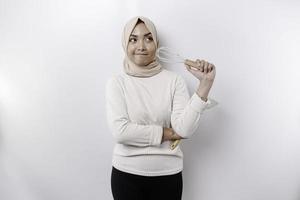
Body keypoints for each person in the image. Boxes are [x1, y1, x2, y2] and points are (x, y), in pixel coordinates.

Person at [105, 16, 216, 200]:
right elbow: (121, 131)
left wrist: (205, 84)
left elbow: (183, 129)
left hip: (168, 176)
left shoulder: (174, 81)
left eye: (148, 38)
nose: (141, 46)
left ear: (156, 43)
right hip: (126, 176)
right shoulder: (117, 83)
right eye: (133, 39)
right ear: (125, 43)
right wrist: (168, 133)